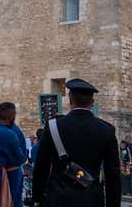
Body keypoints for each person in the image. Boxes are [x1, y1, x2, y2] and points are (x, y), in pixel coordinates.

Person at [31, 78, 120, 207]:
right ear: (92, 102)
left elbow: (41, 167)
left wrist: (37, 198)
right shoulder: (106, 130)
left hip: (58, 198)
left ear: (70, 100)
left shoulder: (53, 126)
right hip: (91, 199)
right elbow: (113, 174)